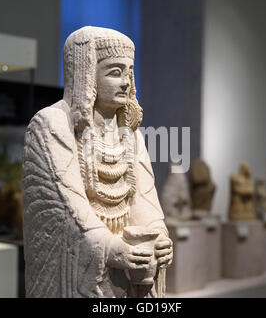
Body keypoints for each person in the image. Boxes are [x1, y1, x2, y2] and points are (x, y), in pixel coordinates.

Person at [22, 26, 172, 298]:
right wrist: (110, 247)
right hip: (86, 271)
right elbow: (66, 205)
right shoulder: (53, 123)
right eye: (115, 72)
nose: (126, 81)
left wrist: (156, 234)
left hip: (128, 265)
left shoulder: (130, 133)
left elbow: (143, 198)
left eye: (129, 72)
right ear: (86, 74)